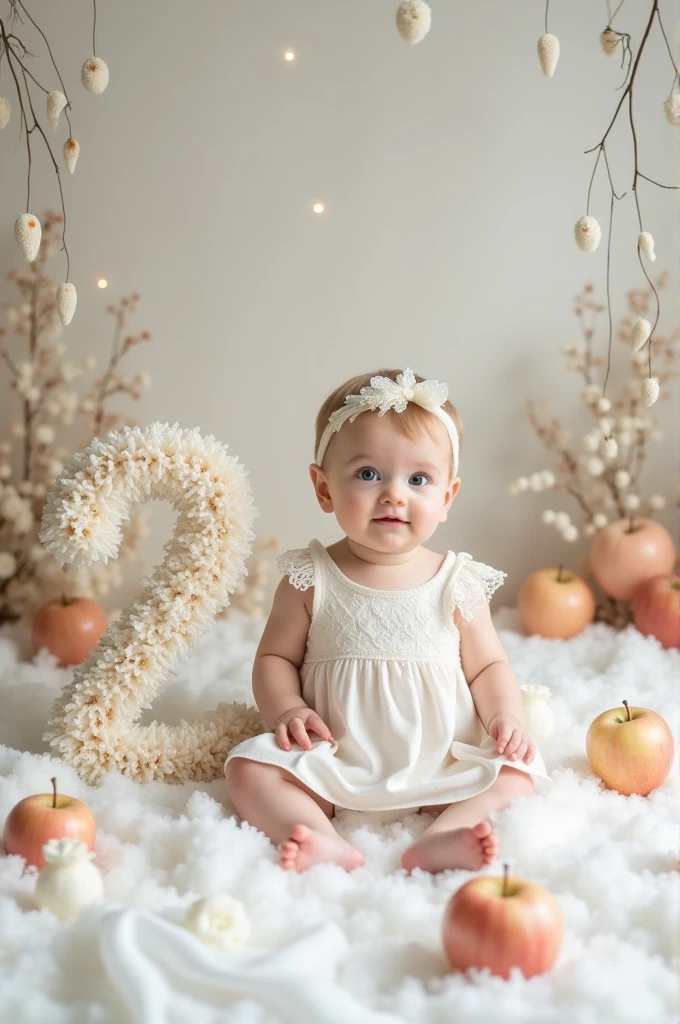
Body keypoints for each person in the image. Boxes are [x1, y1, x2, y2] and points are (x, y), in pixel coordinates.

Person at [225, 367, 551, 874]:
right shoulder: (311, 576)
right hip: (335, 759)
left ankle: (445, 835)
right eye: (369, 474)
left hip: (442, 759)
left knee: (518, 774)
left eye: (418, 479)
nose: (394, 494)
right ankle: (317, 835)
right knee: (248, 770)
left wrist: (505, 718)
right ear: (323, 487)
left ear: (447, 497)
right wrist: (286, 709)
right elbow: (274, 658)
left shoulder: (457, 580)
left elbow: (488, 667)